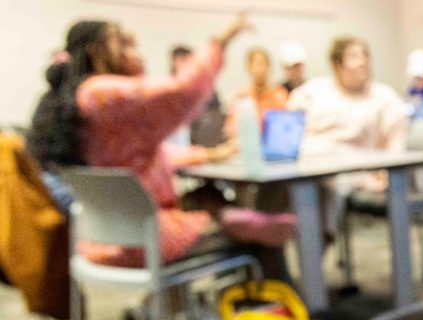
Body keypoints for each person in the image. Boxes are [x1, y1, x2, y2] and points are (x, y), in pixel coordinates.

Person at [27, 14, 287, 268]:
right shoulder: (100, 93)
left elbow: (147, 154)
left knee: (209, 195)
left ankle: (179, 303)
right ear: (97, 51)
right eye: (121, 43)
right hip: (146, 236)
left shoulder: (80, 98)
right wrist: (223, 39)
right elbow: (181, 91)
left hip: (108, 235)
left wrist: (208, 155)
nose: (131, 49)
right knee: (245, 230)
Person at [288, 35, 407, 191]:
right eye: (354, 56)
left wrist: (386, 178)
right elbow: (288, 133)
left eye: (365, 56)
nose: (362, 62)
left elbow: (396, 145)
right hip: (305, 167)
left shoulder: (385, 98)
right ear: (336, 65)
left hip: (352, 174)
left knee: (335, 182)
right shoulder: (312, 91)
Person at [225, 47, 289, 138]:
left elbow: (287, 124)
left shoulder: (279, 94)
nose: (260, 69)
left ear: (269, 67)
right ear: (248, 67)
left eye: (263, 64)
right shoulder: (241, 97)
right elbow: (231, 128)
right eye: (257, 64)